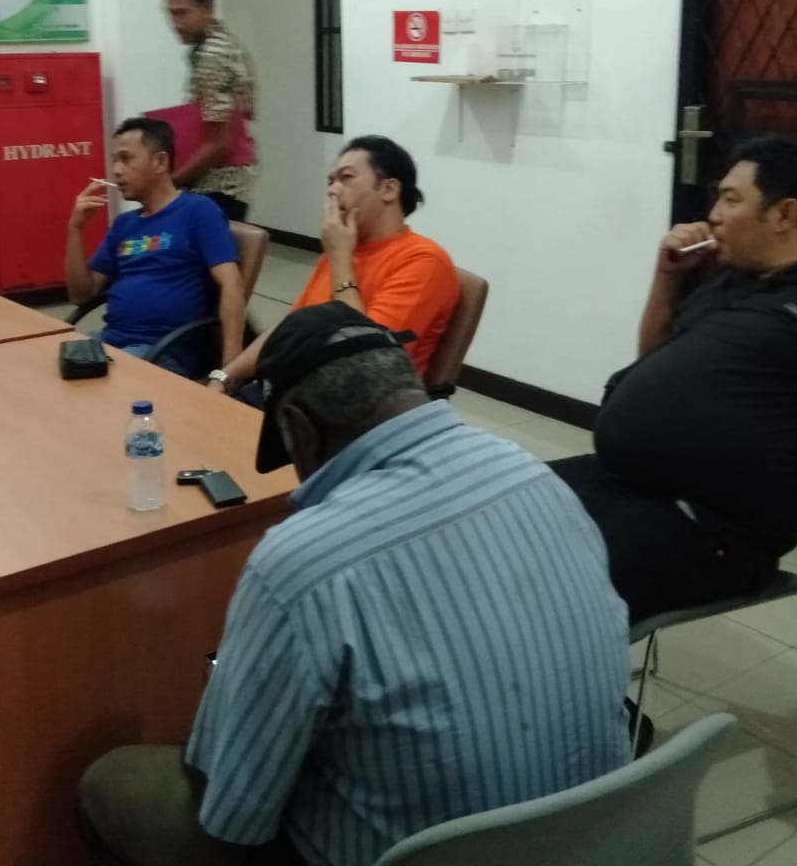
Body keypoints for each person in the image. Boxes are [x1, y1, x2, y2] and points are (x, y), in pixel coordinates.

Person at [76, 303, 633, 866]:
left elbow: (231, 812)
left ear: (299, 428)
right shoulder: (535, 475)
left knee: (113, 780)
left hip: (416, 855)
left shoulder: (304, 562)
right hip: (596, 838)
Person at [550, 136, 797, 707]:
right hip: (619, 482)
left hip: (709, 532)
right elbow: (650, 361)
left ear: (784, 214)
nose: (713, 215)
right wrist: (667, 276)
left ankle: (584, 723)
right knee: (478, 519)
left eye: (730, 199)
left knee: (533, 580)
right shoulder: (728, 283)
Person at [207, 135, 459, 397]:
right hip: (290, 390)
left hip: (353, 405)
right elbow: (289, 328)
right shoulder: (344, 248)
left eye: (346, 178)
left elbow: (367, 364)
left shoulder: (424, 261)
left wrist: (340, 259)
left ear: (389, 190)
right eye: (331, 181)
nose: (333, 190)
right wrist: (225, 376)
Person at [67, 117, 245, 376]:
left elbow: (232, 284)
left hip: (163, 350)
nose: (116, 170)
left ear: (160, 162)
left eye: (126, 159)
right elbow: (81, 294)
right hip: (110, 342)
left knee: (89, 386)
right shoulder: (124, 224)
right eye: (114, 160)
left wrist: (228, 372)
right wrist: (75, 229)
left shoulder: (197, 210)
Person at [162, 0, 258, 221]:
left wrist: (170, 183)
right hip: (233, 183)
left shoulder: (212, 55)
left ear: (207, 7)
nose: (175, 23)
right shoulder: (224, 40)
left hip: (218, 187)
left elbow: (219, 144)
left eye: (182, 13)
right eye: (170, 14)